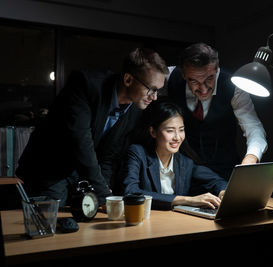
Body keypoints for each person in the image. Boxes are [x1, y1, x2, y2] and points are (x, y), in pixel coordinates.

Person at [16, 48, 169, 207]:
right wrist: (102, 194)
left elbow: (110, 154)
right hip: (49, 168)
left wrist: (104, 190)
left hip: (82, 175)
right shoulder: (85, 84)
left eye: (158, 90)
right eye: (151, 89)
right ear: (128, 79)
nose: (155, 97)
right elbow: (81, 143)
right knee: (55, 220)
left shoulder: (136, 106)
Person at [167, 43, 268, 180]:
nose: (203, 89)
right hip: (183, 171)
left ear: (217, 69)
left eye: (210, 78)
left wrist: (250, 158)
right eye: (194, 81)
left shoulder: (234, 86)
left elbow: (254, 128)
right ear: (184, 75)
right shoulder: (170, 77)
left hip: (224, 171)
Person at [121, 100, 227, 210]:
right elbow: (130, 192)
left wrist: (223, 192)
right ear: (153, 132)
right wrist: (187, 200)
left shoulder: (185, 162)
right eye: (170, 131)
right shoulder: (137, 153)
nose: (177, 137)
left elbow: (216, 181)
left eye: (181, 130)